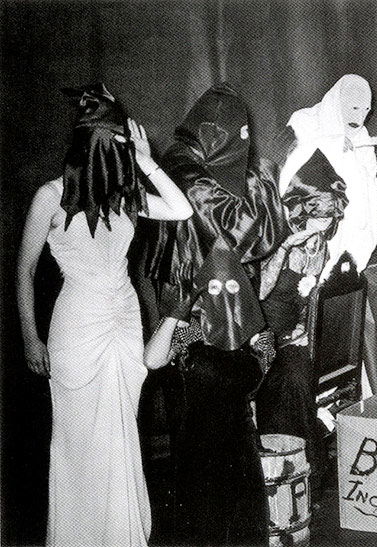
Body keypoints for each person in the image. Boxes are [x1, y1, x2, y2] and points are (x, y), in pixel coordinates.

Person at [16, 83, 193, 547]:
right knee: (79, 445)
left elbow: (180, 209)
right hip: (76, 326)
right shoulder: (49, 198)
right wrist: (30, 336)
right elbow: (25, 269)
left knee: (119, 439)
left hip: (122, 319)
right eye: (117, 144)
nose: (123, 154)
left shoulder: (125, 197)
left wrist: (148, 160)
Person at [147, 82, 284, 545]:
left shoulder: (213, 172)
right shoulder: (190, 177)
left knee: (228, 447)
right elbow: (249, 233)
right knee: (208, 451)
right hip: (199, 331)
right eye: (238, 132)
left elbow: (254, 247)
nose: (246, 140)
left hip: (225, 330)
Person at [255, 153, 349, 498]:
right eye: (315, 219)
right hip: (258, 333)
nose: (321, 229)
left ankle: (302, 474)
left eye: (327, 220)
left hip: (291, 337)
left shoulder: (320, 244)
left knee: (297, 371)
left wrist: (307, 327)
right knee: (288, 377)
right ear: (300, 213)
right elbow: (259, 291)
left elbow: (306, 297)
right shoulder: (273, 237)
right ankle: (282, 469)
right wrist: (282, 249)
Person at [277, 74, 377, 280]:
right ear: (338, 102)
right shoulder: (305, 122)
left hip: (348, 224)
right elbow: (290, 170)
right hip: (310, 221)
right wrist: (332, 143)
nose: (360, 118)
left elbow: (370, 186)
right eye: (354, 109)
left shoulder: (362, 137)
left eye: (366, 111)